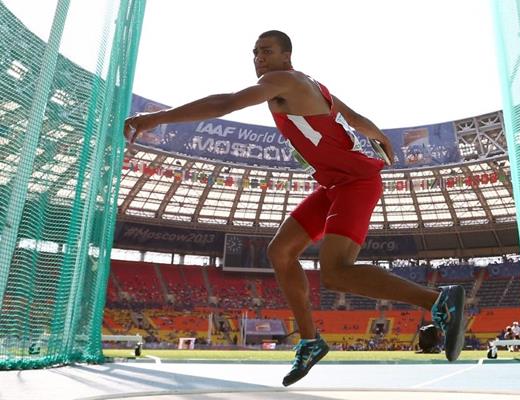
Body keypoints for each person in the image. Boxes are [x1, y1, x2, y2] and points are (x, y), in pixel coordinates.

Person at [124, 30, 466, 386]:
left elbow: (225, 103)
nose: (259, 58)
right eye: (255, 52)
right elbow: (350, 116)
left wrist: (156, 118)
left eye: (267, 51)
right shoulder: (312, 87)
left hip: (355, 183)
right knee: (281, 251)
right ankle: (310, 340)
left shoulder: (281, 80)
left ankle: (438, 301)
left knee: (335, 271)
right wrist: (378, 134)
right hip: (334, 185)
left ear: (287, 56)